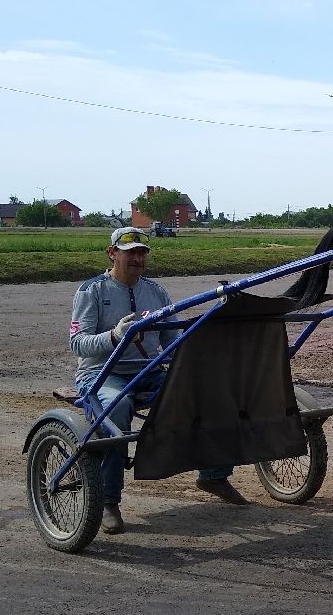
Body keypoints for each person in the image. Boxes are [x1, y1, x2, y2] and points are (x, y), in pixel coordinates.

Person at [69, 226, 249, 534]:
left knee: (212, 397)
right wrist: (114, 336)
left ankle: (214, 476)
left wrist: (196, 363)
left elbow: (173, 341)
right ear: (113, 254)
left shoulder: (155, 291)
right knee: (117, 409)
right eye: (130, 253)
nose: (138, 259)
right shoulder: (92, 291)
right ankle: (109, 501)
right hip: (102, 375)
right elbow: (78, 343)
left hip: (148, 371)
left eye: (142, 253)